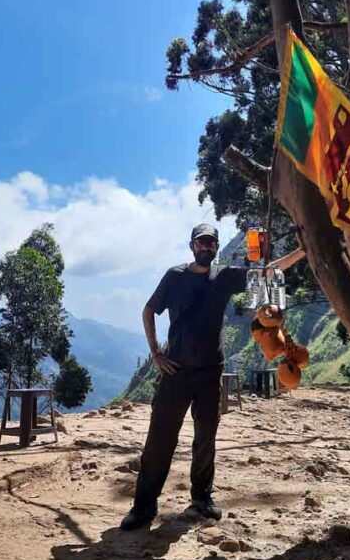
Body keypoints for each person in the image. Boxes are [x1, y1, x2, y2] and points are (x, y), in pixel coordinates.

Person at [120, 223, 305, 530]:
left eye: (211, 243)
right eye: (201, 242)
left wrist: (303, 251)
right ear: (192, 245)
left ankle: (202, 499)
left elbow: (268, 272)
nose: (206, 247)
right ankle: (143, 507)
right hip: (175, 371)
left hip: (210, 371)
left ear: (216, 247)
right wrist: (155, 353)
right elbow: (149, 310)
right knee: (160, 438)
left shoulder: (224, 276)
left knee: (206, 436)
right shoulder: (174, 276)